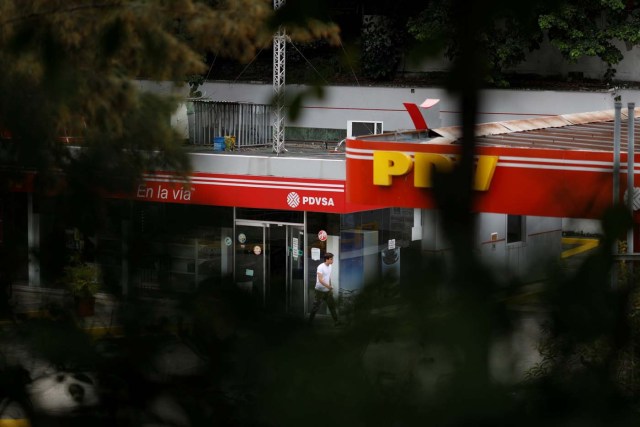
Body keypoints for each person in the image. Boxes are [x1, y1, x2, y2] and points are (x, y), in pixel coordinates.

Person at [308, 252, 341, 326]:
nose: (332, 261)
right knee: (315, 307)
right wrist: (328, 286)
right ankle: (309, 322)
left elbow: (328, 277)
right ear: (327, 259)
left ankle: (336, 322)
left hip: (327, 291)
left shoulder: (330, 266)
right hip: (319, 291)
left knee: (332, 306)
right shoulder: (320, 267)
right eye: (331, 259)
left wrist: (330, 287)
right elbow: (320, 280)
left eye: (332, 259)